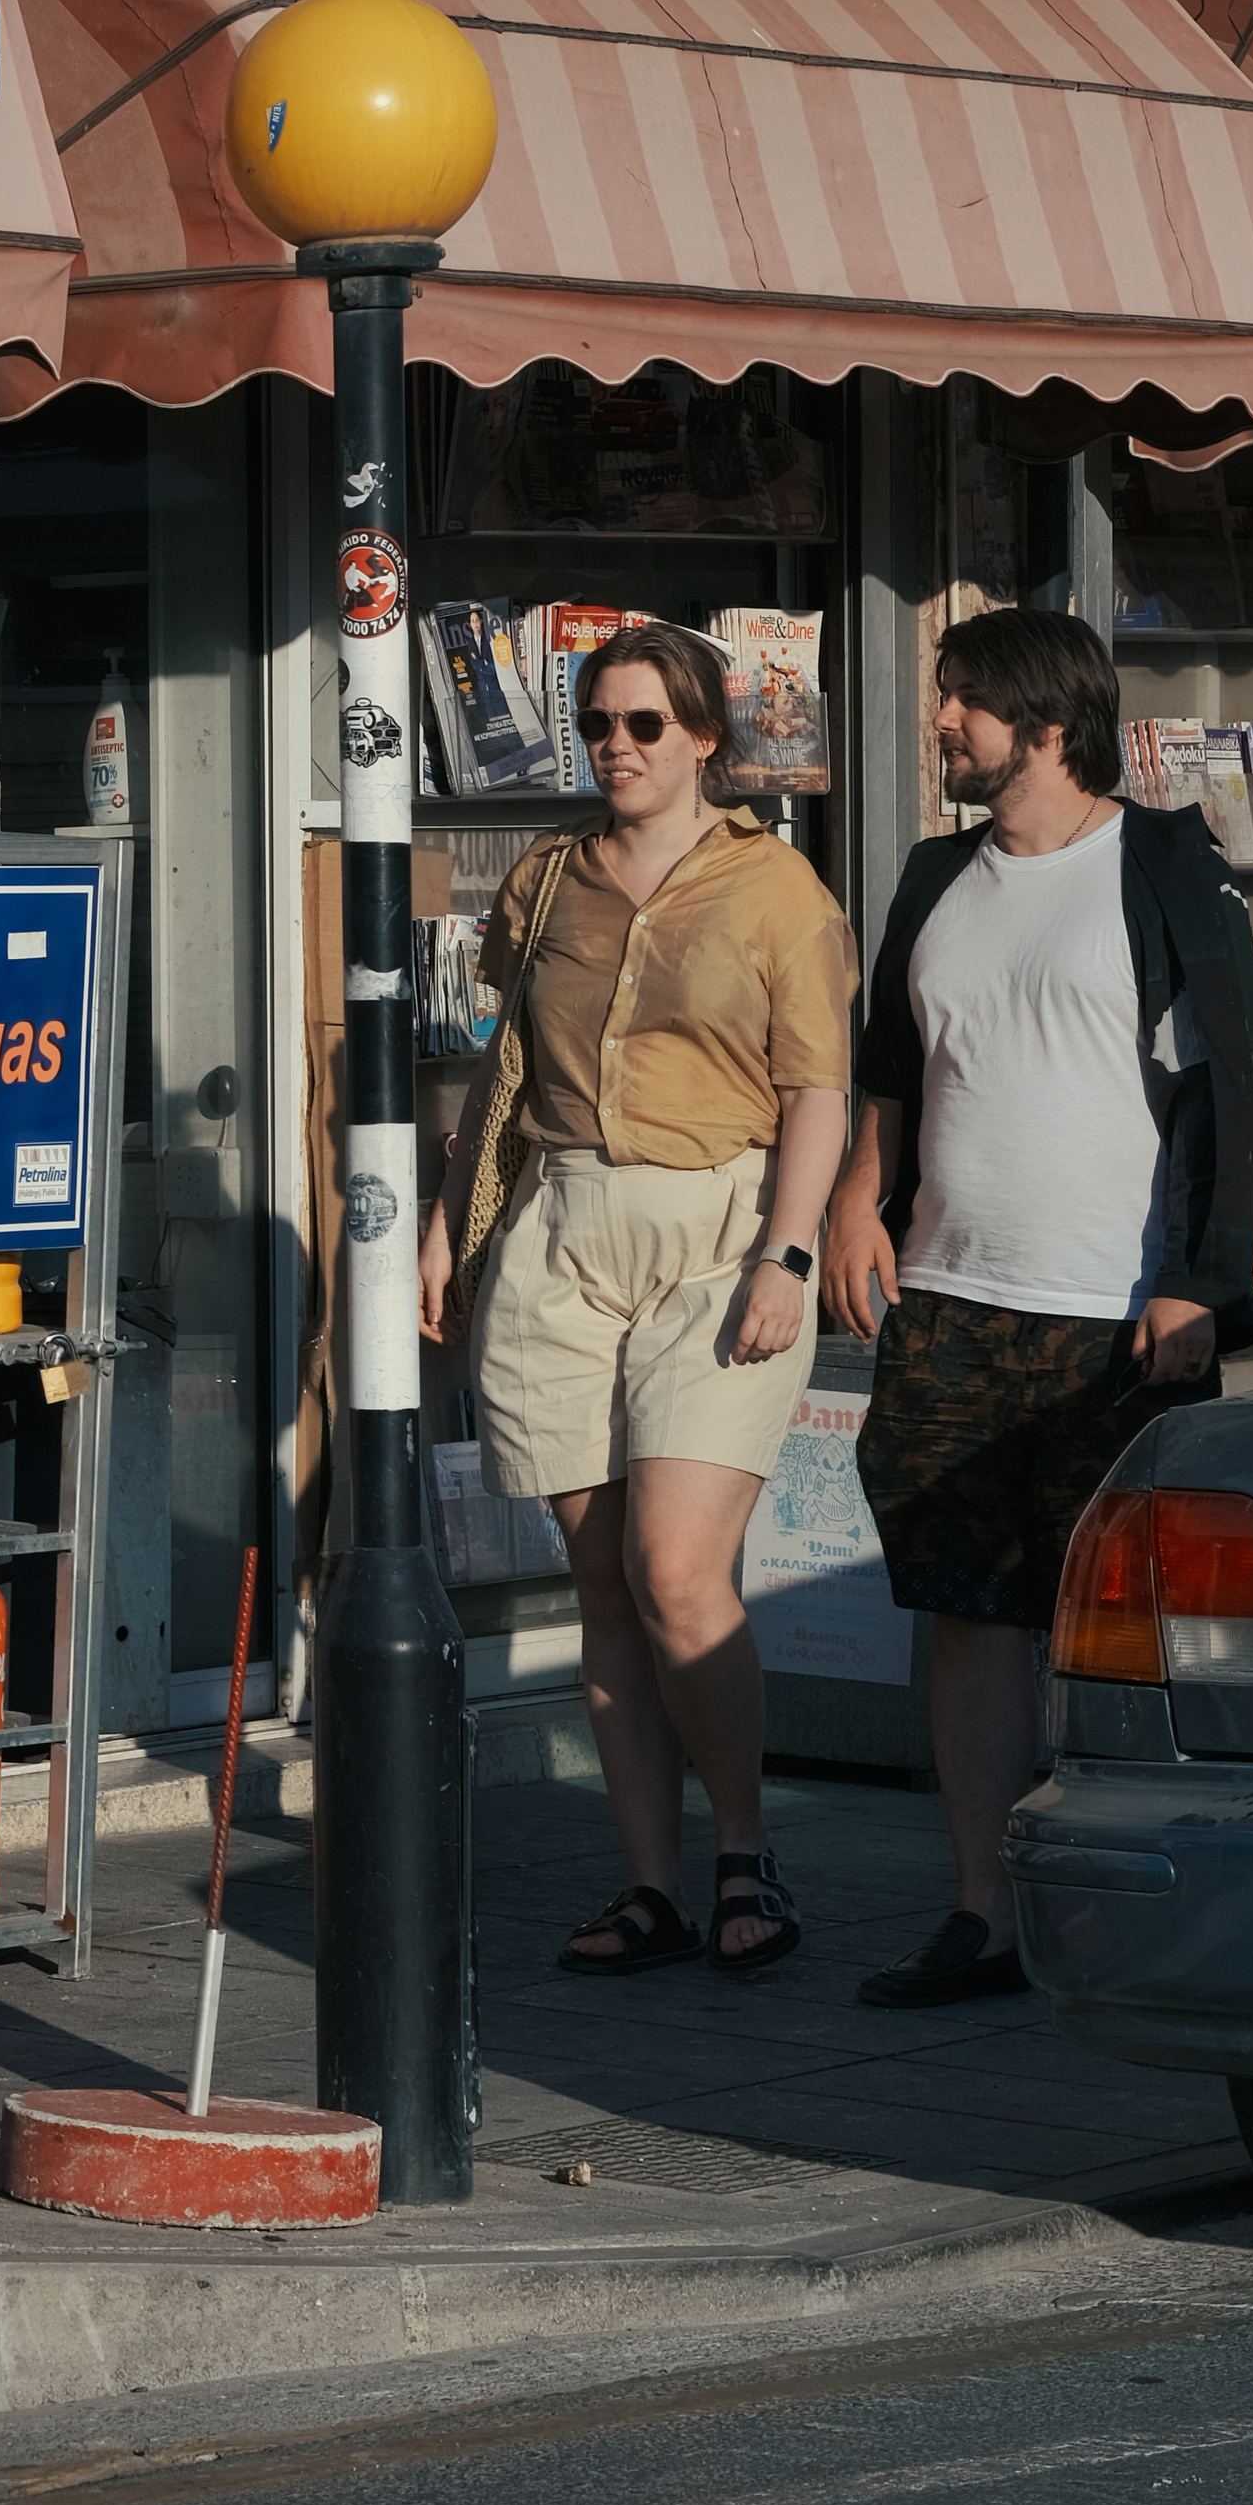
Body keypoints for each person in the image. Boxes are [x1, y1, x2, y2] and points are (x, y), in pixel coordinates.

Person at [822, 607, 1253, 2007]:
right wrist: (861, 1199)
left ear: (1043, 721)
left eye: (961, 700)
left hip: (1114, 1316)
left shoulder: (1162, 865)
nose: (940, 723)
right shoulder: (928, 875)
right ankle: (986, 1914)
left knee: (1126, 1626)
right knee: (966, 1610)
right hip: (955, 1298)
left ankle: (1147, 1906)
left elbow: (1228, 1086)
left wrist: (1199, 1282)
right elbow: (895, 1071)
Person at [420, 622, 856, 1975]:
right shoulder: (547, 877)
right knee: (602, 1578)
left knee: (677, 1569)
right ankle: (653, 1884)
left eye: (645, 725)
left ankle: (745, 1850)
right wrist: (449, 1232)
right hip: (563, 1231)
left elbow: (817, 1093)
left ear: (706, 739)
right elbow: (503, 1076)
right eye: (599, 724)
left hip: (722, 1230)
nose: (617, 746)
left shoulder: (778, 890)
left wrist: (790, 1254)